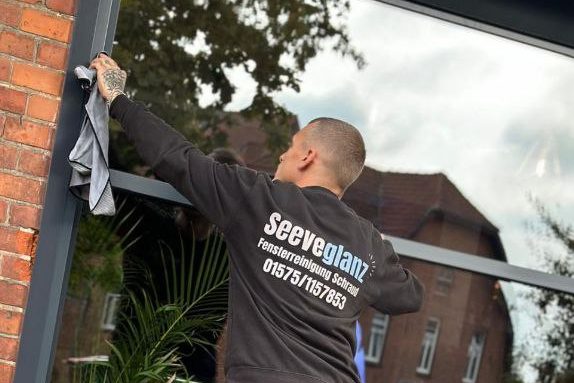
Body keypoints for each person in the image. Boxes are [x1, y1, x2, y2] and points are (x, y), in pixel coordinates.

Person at [89, 52, 424, 383]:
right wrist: (379, 245)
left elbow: (177, 159)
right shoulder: (365, 244)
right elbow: (409, 295)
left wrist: (118, 98)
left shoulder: (261, 200)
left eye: (291, 146)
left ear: (308, 156)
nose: (282, 154)